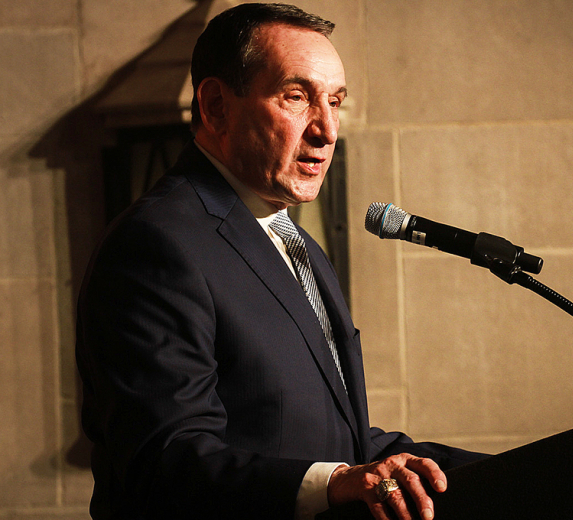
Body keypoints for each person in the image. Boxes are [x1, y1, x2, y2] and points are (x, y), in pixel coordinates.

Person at [75, 4, 486, 520]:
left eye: (335, 101)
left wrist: (522, 469)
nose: (327, 130)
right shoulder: (155, 244)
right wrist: (334, 483)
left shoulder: (293, 240)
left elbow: (333, 437)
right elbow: (166, 460)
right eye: (297, 96)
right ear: (216, 106)